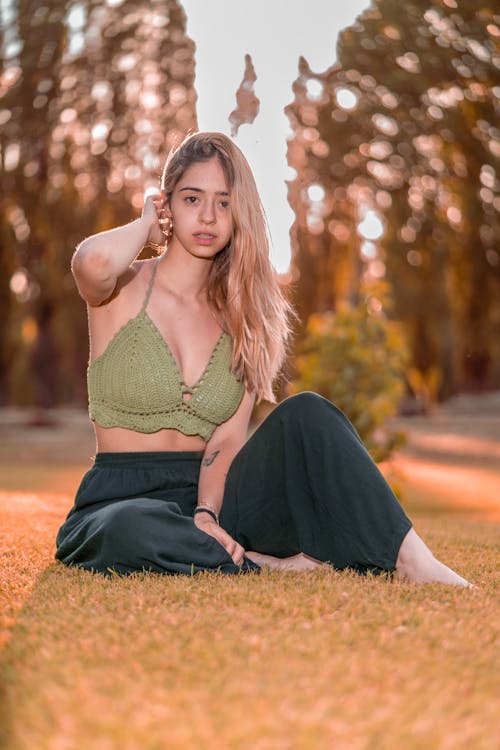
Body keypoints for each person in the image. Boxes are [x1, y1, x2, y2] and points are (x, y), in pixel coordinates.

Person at [55, 131, 471, 586]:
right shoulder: (121, 288)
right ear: (167, 204)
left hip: (214, 504)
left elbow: (227, 441)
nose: (208, 216)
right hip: (118, 501)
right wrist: (144, 224)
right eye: (192, 198)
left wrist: (207, 515)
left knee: (308, 412)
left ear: (240, 215)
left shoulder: (245, 316)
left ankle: (414, 561)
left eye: (225, 203)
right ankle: (261, 564)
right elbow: (91, 262)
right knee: (128, 528)